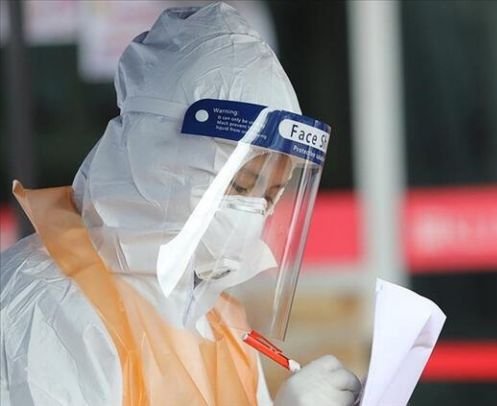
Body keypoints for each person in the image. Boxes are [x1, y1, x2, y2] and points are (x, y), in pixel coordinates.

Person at [0, 3, 361, 405]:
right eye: (241, 186)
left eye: (270, 195)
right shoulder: (48, 309)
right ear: (160, 158)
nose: (255, 214)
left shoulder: (217, 324)